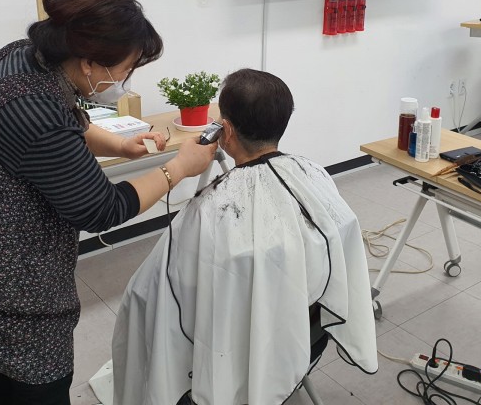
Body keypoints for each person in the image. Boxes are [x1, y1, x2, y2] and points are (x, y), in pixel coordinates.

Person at [0, 0, 217, 405]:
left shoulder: (26, 56)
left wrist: (119, 145)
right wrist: (179, 168)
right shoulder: (31, 109)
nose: (125, 80)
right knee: (34, 375)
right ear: (89, 62)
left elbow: (66, 119)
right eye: (126, 69)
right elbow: (102, 208)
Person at [111, 69, 378, 405]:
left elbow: (151, 293)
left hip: (233, 350)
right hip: (307, 334)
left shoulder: (210, 210)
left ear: (226, 130)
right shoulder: (313, 173)